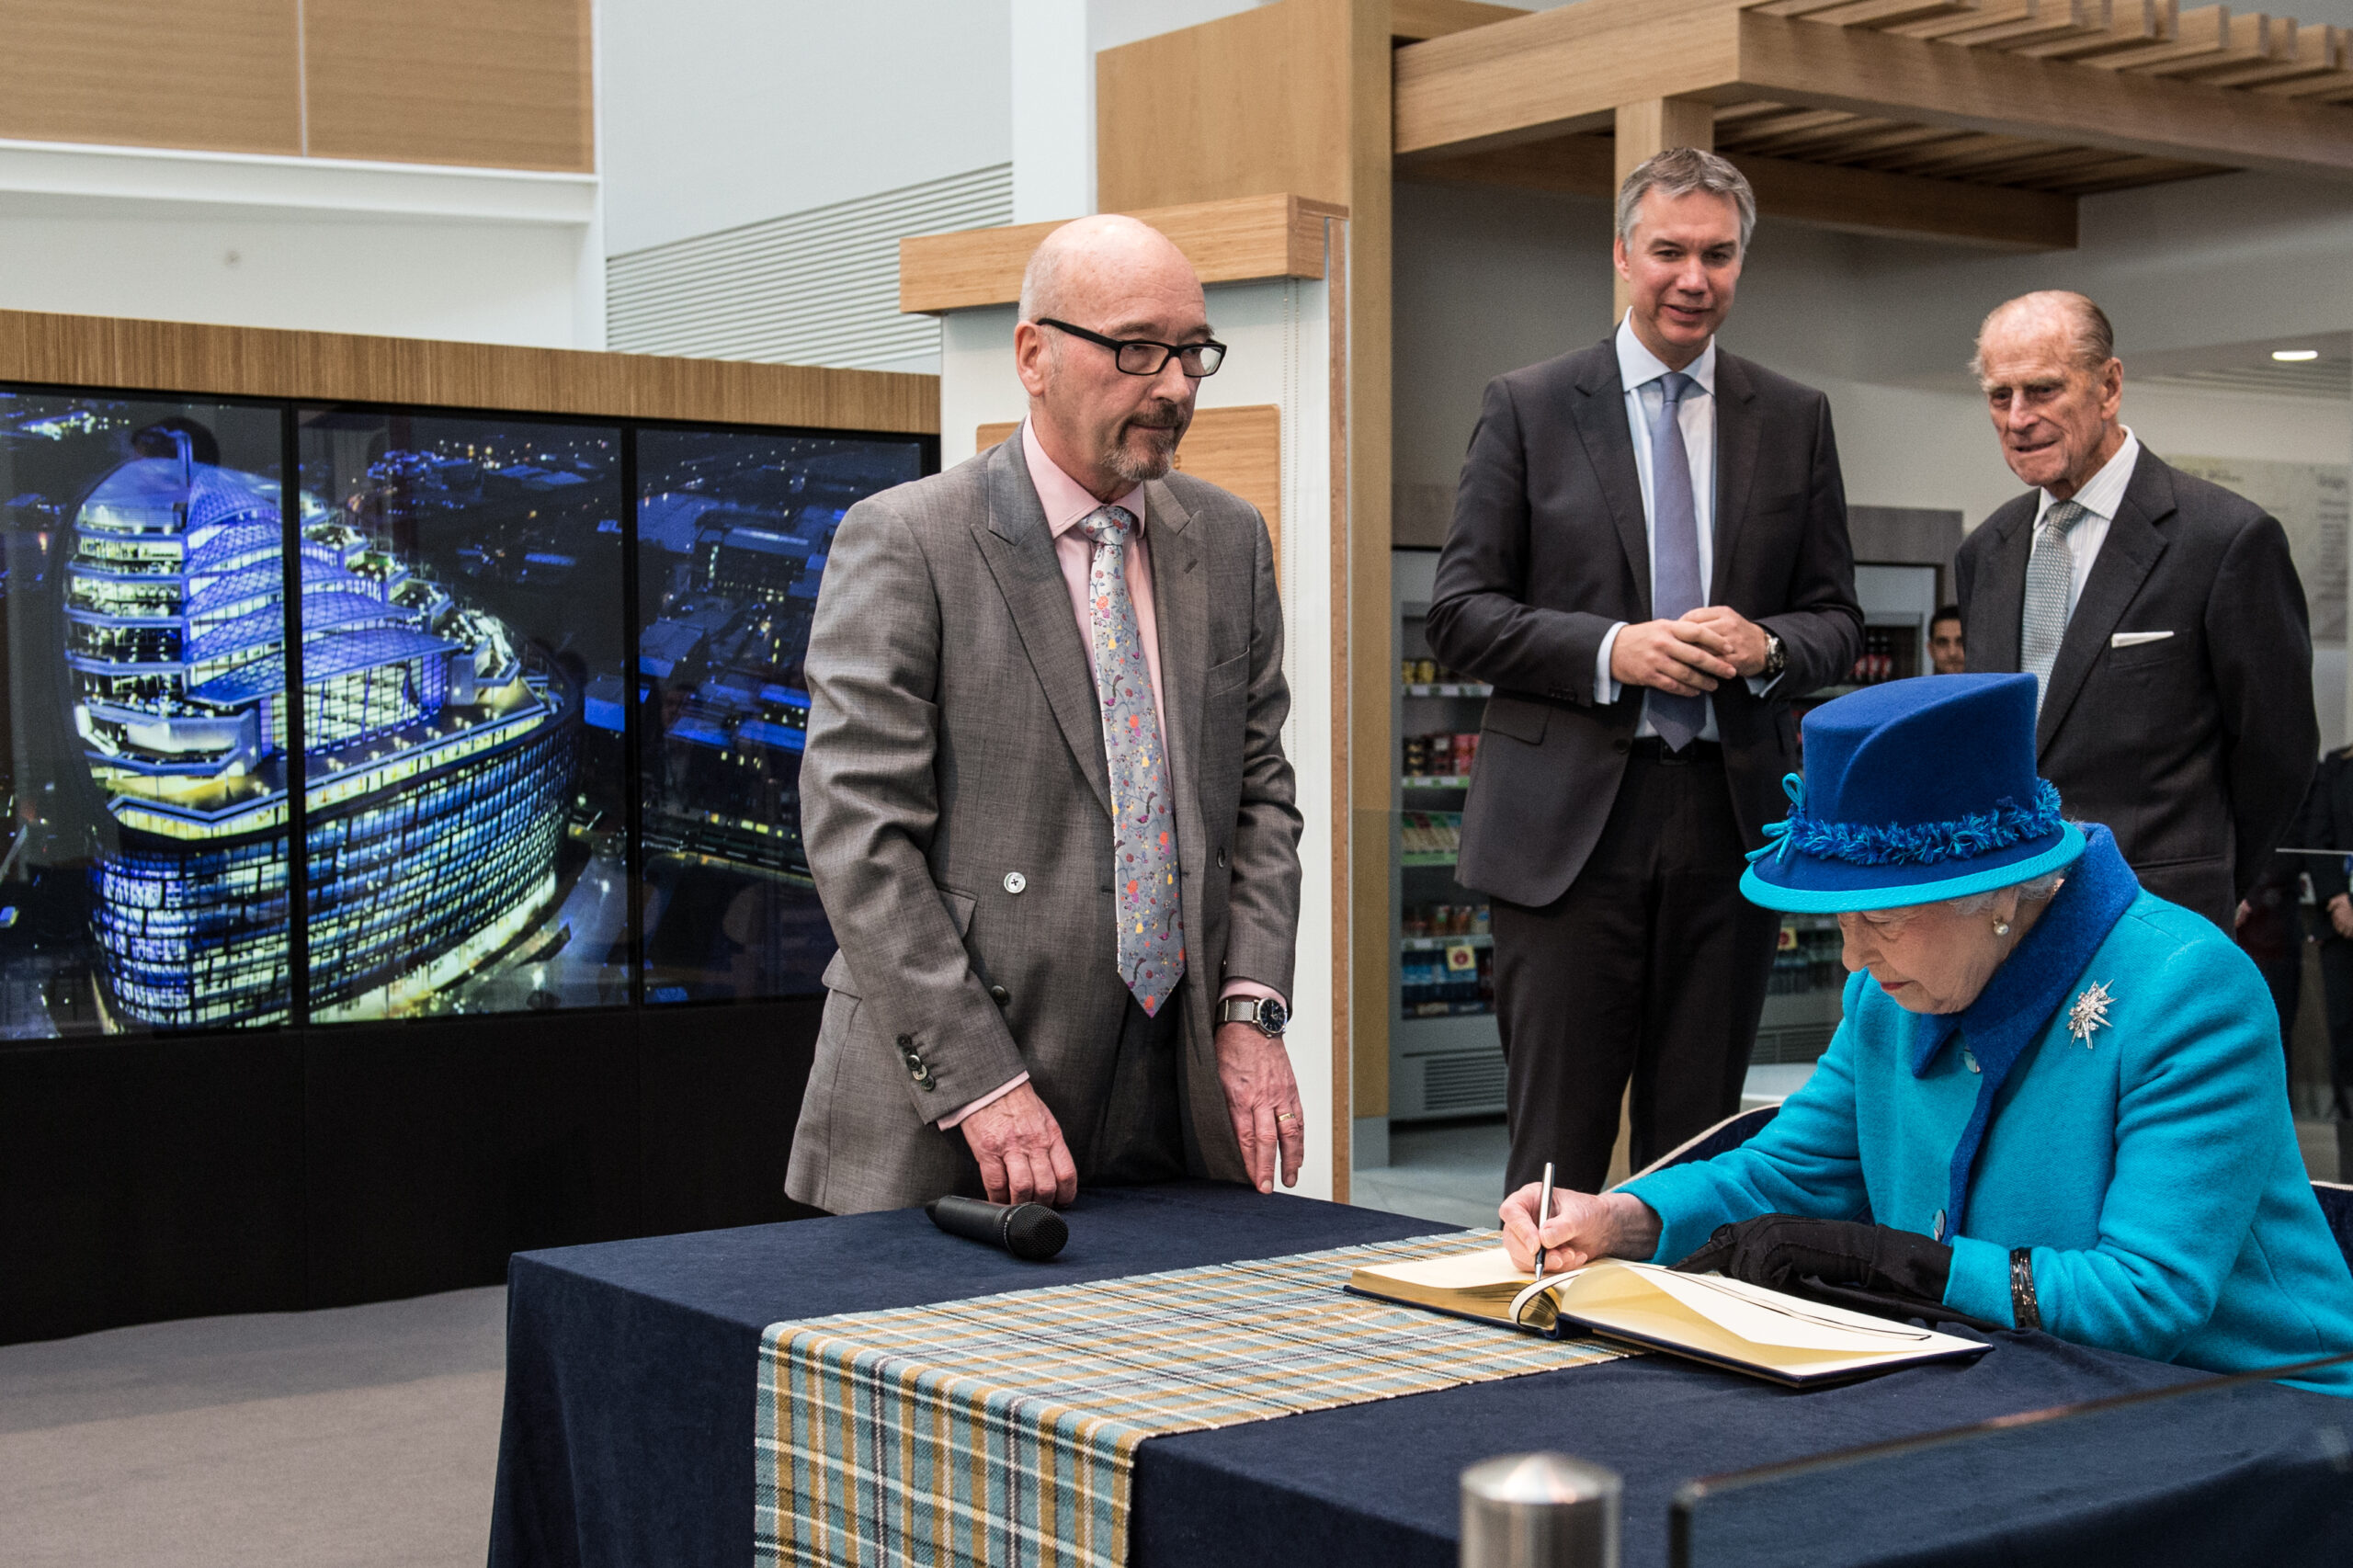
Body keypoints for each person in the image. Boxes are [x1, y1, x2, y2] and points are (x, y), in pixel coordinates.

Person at [1499, 674, 2353, 1393]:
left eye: (1880, 916)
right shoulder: (1894, 987)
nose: (1852, 959)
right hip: (2012, 1388)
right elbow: (1794, 1171)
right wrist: (1622, 1219)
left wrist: (1904, 1268)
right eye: (1839, 922)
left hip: (2252, 1415)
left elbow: (2144, 1302)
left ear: (2000, 892)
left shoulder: (2186, 990)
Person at [786, 214, 1306, 1214]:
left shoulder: (1229, 541)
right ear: (1034, 354)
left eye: (1194, 352)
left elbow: (1260, 797)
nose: (1175, 385)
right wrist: (980, 1080)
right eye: (1137, 349)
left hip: (1172, 1084)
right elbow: (860, 833)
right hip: (954, 1097)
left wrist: (1251, 1010)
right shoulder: (908, 539)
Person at [1426, 148, 1861, 1194]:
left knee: (1698, 1146)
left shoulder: (1793, 418)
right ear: (1623, 255)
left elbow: (1837, 620)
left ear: (1741, 264)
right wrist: (1611, 649)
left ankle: (1679, 1351)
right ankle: (1538, 1332)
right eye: (1668, 250)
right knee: (1554, 1148)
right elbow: (1458, 613)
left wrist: (1767, 647)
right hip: (1566, 831)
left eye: (1716, 255)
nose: (1692, 277)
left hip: (1728, 819)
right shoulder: (1527, 406)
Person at [1954, 290, 2315, 931]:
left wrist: (2217, 877)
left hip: (2159, 918)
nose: (2017, 418)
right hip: (2010, 917)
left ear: (2109, 386)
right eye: (1998, 395)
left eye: (2042, 390)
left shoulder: (2224, 539)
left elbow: (2278, 757)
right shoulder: (1987, 551)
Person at [1928, 604, 1966, 675]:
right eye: (1942, 643)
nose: (1952, 653)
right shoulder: (1914, 686)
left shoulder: (1992, 684)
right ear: (1931, 649)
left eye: (1961, 642)